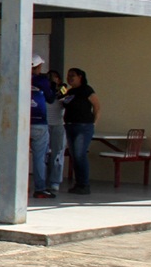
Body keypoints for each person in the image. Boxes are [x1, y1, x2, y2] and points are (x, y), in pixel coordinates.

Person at [61, 67, 101, 194]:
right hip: (70, 125)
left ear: (80, 77)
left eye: (73, 75)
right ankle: (78, 184)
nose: (70, 78)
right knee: (74, 155)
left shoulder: (87, 90)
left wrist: (94, 122)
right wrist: (60, 87)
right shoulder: (69, 91)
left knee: (80, 154)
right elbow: (60, 98)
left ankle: (84, 184)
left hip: (83, 126)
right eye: (68, 75)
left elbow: (97, 106)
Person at [29, 55, 56, 198]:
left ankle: (17, 186)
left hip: (22, 123)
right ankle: (40, 188)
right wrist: (55, 87)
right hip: (39, 123)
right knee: (39, 157)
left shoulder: (20, 77)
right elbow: (51, 99)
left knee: (17, 156)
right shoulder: (42, 80)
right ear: (38, 67)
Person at [46, 70, 67, 193]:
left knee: (57, 154)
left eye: (54, 78)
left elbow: (64, 98)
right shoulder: (44, 90)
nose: (51, 81)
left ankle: (55, 181)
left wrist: (58, 90)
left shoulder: (62, 90)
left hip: (58, 125)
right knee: (44, 154)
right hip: (45, 124)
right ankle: (43, 180)